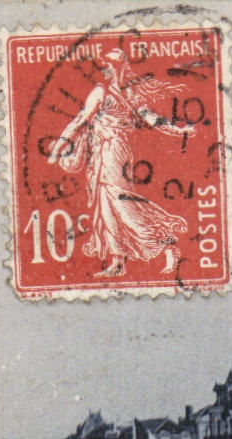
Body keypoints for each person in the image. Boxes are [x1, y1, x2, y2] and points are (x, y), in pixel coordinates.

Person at [45, 49, 194, 277]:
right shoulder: (132, 93)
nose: (100, 70)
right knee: (107, 206)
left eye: (104, 66)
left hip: (110, 151)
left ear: (111, 69)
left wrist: (58, 147)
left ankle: (167, 244)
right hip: (110, 151)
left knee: (121, 204)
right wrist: (179, 130)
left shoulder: (102, 92)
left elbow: (80, 120)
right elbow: (155, 121)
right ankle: (117, 262)